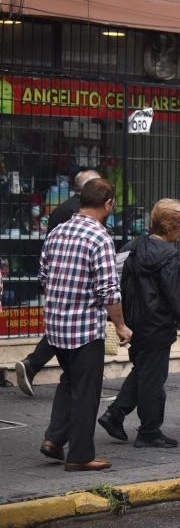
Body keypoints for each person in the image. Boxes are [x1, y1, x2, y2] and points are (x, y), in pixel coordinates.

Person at [38, 177, 133, 471]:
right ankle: (80, 456)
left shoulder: (57, 233)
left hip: (56, 327)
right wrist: (120, 325)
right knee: (87, 391)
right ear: (108, 204)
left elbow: (43, 276)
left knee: (69, 382)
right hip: (84, 329)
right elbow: (108, 290)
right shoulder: (99, 236)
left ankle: (54, 439)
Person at [97, 199, 180, 448]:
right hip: (157, 324)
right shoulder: (169, 256)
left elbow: (116, 281)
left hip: (133, 321)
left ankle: (115, 414)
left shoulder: (132, 246)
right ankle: (150, 431)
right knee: (153, 379)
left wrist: (118, 318)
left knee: (144, 370)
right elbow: (179, 294)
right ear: (172, 228)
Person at [14, 169, 101, 397]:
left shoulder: (63, 208)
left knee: (61, 327)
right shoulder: (79, 213)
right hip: (75, 284)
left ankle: (33, 364)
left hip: (58, 281)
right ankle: (33, 363)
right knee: (69, 331)